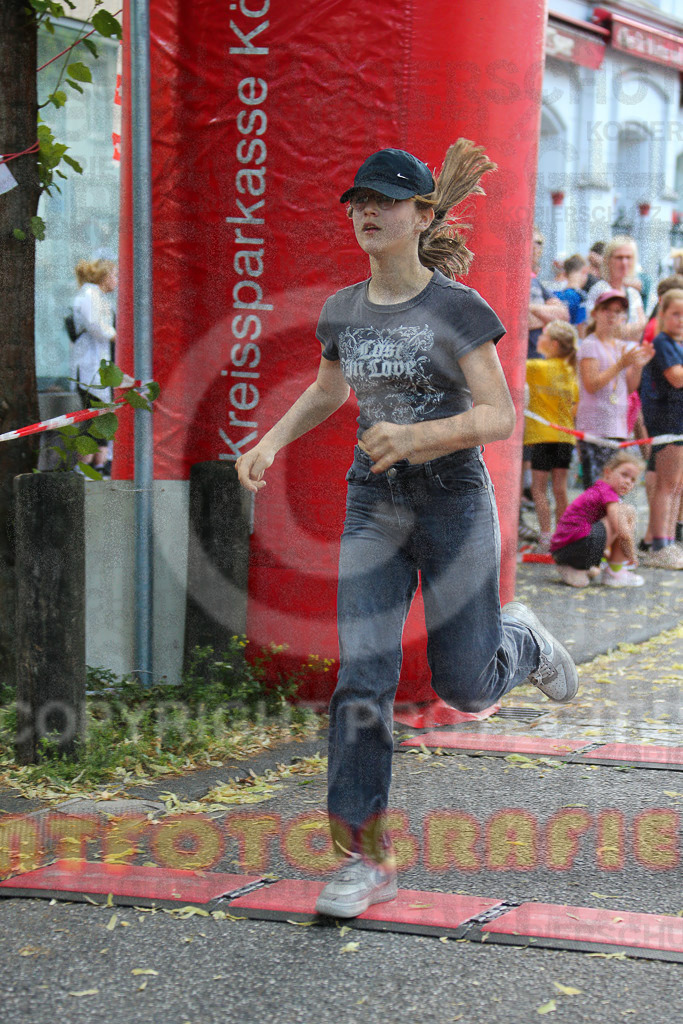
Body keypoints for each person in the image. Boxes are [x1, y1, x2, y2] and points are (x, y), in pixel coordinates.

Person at [236, 142, 579, 919]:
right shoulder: (342, 309)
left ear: (422, 216)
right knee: (363, 674)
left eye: (384, 201)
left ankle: (518, 641)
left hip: (452, 500)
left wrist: (418, 438)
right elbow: (328, 391)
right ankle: (363, 856)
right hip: (374, 505)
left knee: (463, 682)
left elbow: (498, 415)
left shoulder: (457, 308)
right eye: (357, 200)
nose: (365, 212)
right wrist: (269, 441)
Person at [575, 290, 653, 489]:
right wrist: (621, 364)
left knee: (612, 491)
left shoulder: (621, 346)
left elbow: (629, 388)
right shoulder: (590, 345)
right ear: (596, 313)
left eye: (618, 311)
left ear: (624, 317)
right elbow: (591, 384)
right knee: (596, 490)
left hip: (617, 426)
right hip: (594, 428)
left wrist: (638, 365)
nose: (612, 315)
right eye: (606, 310)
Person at [550, 451, 644, 588]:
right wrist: (632, 554)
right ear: (608, 473)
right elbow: (621, 531)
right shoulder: (607, 492)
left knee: (620, 513)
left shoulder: (599, 489)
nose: (628, 482)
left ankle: (576, 568)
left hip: (562, 551)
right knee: (627, 512)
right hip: (574, 547)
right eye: (624, 475)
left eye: (633, 479)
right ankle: (615, 572)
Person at [524, 321, 579, 552]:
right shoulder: (570, 373)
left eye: (544, 335)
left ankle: (546, 536)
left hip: (541, 437)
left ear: (554, 344)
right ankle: (563, 534)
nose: (539, 338)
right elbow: (574, 407)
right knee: (560, 489)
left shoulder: (536, 367)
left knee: (538, 489)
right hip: (565, 438)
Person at [638, 288, 683, 570]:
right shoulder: (664, 342)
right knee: (666, 486)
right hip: (667, 422)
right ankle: (659, 545)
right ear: (663, 315)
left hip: (679, 422)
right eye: (675, 314)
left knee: (675, 485)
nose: (680, 319)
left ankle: (668, 541)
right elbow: (676, 377)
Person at [71, 258, 118, 473]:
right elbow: (95, 326)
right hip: (90, 367)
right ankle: (84, 465)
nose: (116, 281)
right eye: (114, 275)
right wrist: (116, 336)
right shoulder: (90, 294)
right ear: (105, 276)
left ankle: (99, 463)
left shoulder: (96, 295)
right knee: (94, 415)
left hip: (99, 367)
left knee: (103, 415)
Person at [584, 236, 646, 341]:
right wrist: (632, 329)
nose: (624, 263)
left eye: (628, 257)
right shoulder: (600, 289)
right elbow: (600, 330)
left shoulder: (632, 293)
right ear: (608, 261)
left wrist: (625, 330)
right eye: (619, 258)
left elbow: (642, 327)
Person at [553, 254, 588, 327]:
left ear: (565, 274)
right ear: (584, 271)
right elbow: (581, 325)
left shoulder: (554, 294)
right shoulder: (581, 296)